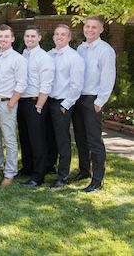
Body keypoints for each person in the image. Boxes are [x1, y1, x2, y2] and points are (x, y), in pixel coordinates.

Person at [72, 15, 116, 193]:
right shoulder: (80, 48)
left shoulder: (105, 50)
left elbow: (108, 77)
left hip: (93, 100)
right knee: (80, 138)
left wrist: (100, 101)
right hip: (78, 98)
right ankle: (84, 171)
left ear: (101, 29)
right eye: (87, 26)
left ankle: (97, 180)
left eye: (94, 27)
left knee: (94, 141)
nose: (90, 30)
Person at [0, 25, 27, 187]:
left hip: (7, 103)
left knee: (9, 139)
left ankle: (10, 172)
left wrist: (12, 102)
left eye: (6, 36)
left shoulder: (18, 59)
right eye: (0, 36)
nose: (3, 39)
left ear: (12, 39)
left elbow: (22, 83)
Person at [46, 25, 84, 188]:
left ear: (69, 38)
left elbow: (76, 85)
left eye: (63, 35)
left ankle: (63, 175)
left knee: (62, 140)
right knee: (49, 137)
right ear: (53, 37)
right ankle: (50, 166)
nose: (59, 37)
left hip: (62, 103)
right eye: (57, 34)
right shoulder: (48, 55)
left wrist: (65, 105)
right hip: (48, 101)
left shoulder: (74, 58)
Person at [17, 25, 54, 187]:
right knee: (25, 138)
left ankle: (38, 176)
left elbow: (46, 84)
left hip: (36, 102)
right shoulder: (23, 55)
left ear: (39, 38)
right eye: (27, 36)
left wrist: (39, 105)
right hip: (22, 101)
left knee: (37, 140)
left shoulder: (44, 58)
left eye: (33, 36)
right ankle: (27, 167)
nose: (30, 39)